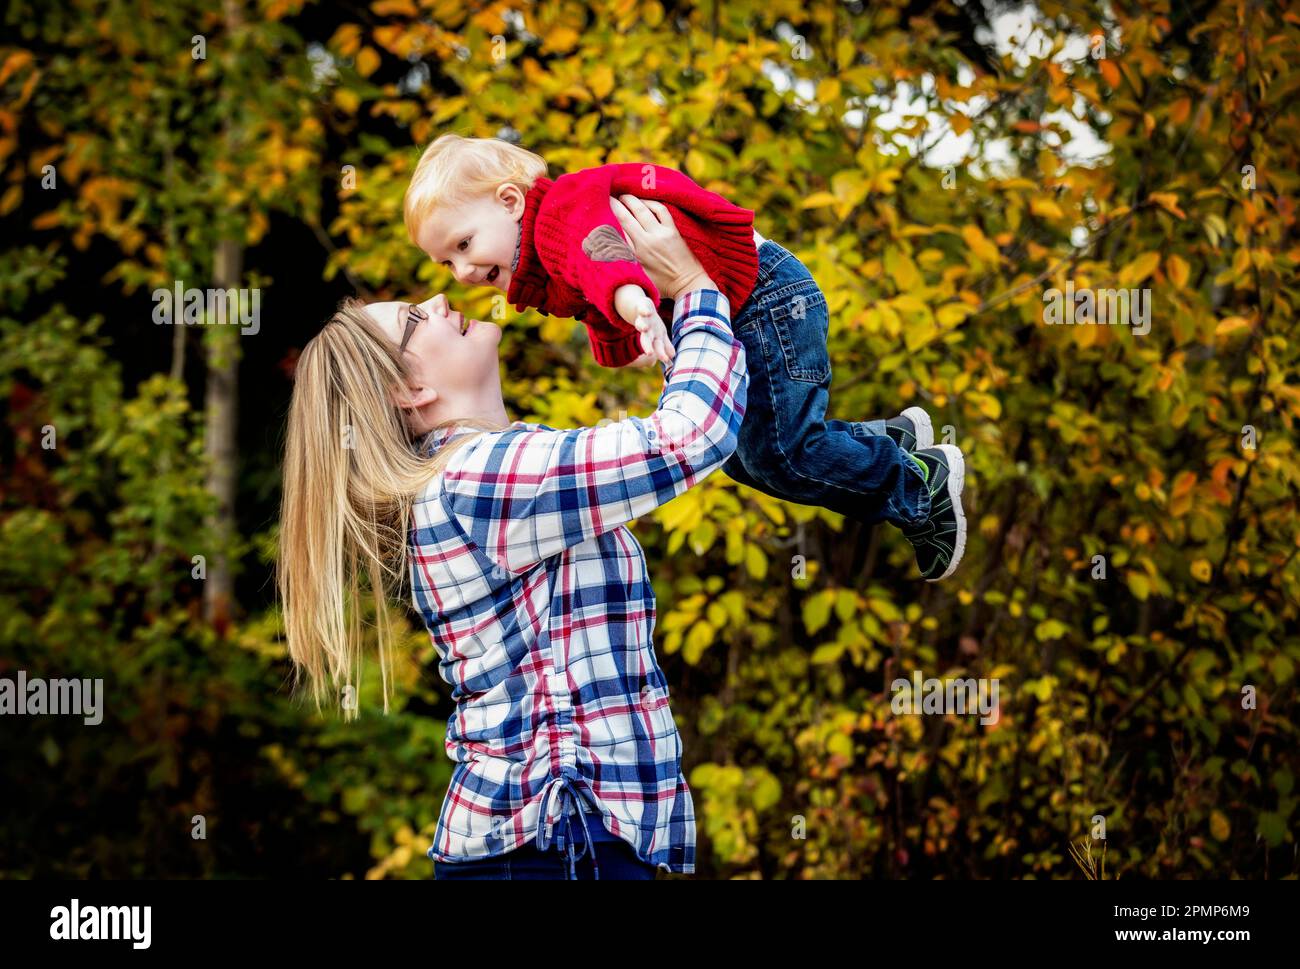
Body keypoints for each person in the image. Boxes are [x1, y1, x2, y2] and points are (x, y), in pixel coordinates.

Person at [277, 196, 746, 878]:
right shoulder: (477, 481)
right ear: (409, 390)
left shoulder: (476, 476)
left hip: (554, 843)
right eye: (414, 319)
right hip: (558, 844)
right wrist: (697, 293)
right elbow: (689, 437)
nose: (438, 299)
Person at [403, 134, 967, 581]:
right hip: (746, 301)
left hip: (762, 298)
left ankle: (919, 487)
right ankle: (889, 442)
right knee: (740, 456)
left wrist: (636, 303)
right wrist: (633, 330)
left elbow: (600, 249)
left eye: (463, 245)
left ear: (509, 202)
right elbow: (590, 293)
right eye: (446, 264)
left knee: (780, 457)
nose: (463, 273)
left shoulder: (560, 212)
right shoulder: (543, 261)